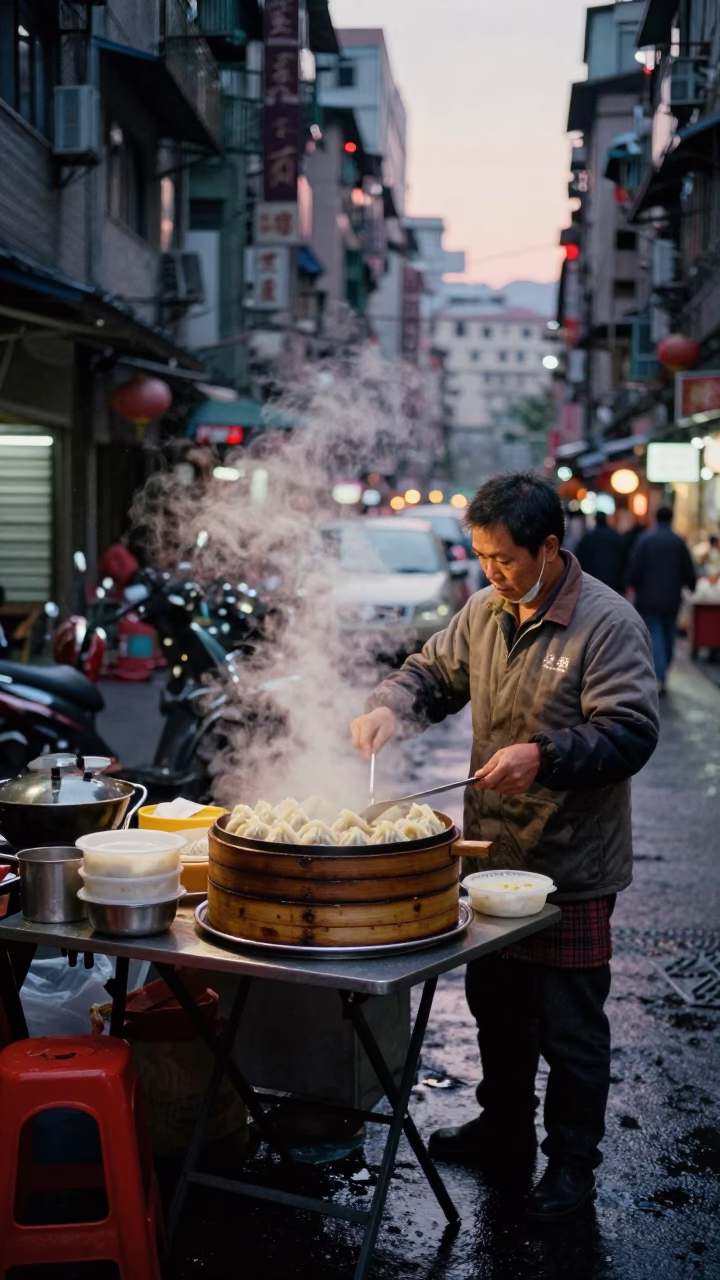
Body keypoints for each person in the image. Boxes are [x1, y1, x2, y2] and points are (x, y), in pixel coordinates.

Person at [351, 472, 659, 1222]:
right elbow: (433, 671)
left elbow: (631, 732)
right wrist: (391, 706)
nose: (491, 572)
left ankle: (572, 1166)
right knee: (497, 1008)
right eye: (481, 556)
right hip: (494, 856)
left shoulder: (606, 622)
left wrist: (542, 756)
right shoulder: (486, 611)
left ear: (549, 548)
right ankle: (502, 1128)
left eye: (505, 559)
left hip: (570, 866)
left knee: (571, 1028)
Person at [626, 505, 697, 694]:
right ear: (672, 518)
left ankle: (658, 674)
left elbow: (635, 567)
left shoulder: (646, 539)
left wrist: (631, 583)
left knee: (654, 633)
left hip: (647, 597)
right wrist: (692, 585)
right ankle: (662, 672)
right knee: (668, 634)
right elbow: (688, 568)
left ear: (655, 517)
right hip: (672, 597)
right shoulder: (678, 541)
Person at [574, 511, 626, 593]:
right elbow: (624, 560)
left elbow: (579, 561)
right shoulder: (616, 537)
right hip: (614, 583)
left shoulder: (588, 538)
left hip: (593, 583)